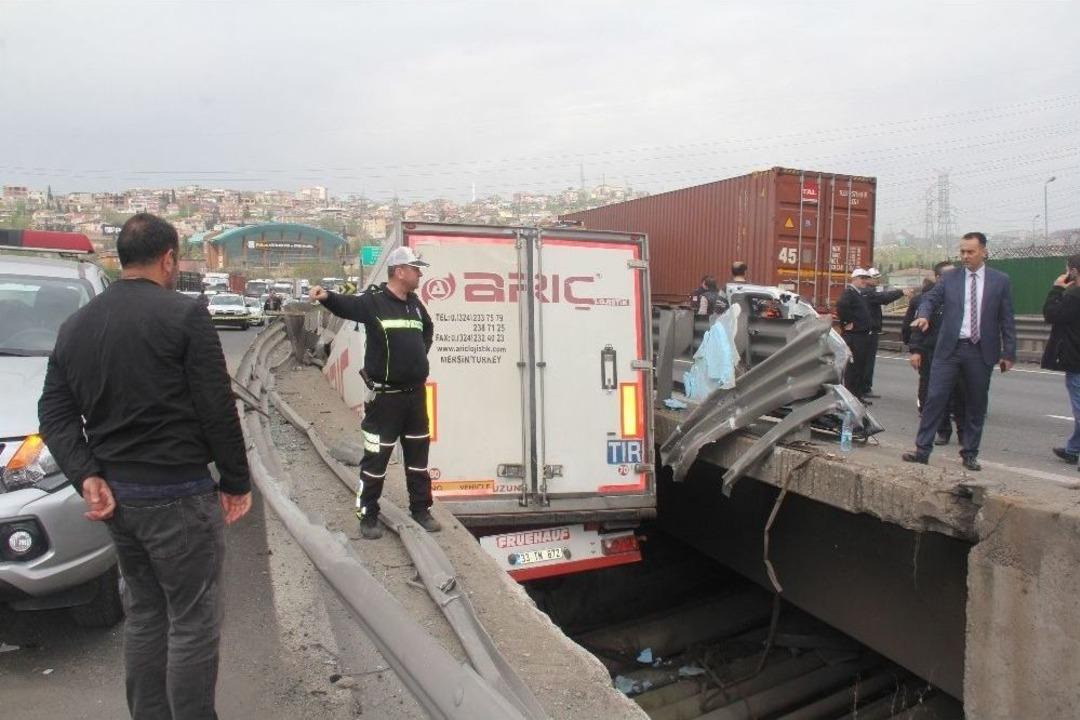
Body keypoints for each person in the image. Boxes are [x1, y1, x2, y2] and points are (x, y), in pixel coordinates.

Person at [38, 212, 252, 719]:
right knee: (192, 621)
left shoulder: (77, 325)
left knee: (145, 615)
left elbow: (54, 411)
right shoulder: (185, 315)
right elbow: (215, 405)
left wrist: (86, 473)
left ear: (120, 259)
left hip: (119, 499)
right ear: (169, 258)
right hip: (179, 494)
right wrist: (237, 481)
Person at [309, 245, 441, 539]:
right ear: (400, 272)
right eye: (416, 269)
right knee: (376, 459)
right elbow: (348, 306)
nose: (420, 274)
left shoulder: (415, 304)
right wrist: (326, 297)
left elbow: (427, 331)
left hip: (415, 397)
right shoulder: (374, 302)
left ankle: (420, 509)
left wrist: (416, 357)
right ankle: (368, 514)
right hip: (385, 399)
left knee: (418, 459)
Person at [903, 231, 1016, 471]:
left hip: (980, 351)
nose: (965, 256)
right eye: (962, 251)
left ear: (984, 252)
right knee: (935, 398)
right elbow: (929, 299)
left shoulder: (1000, 280)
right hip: (950, 350)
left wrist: (1009, 353)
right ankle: (922, 450)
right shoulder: (950, 278)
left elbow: (1007, 319)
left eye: (970, 252)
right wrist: (923, 315)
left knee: (976, 403)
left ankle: (970, 453)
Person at [907, 262, 966, 445]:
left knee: (961, 395)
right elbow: (916, 327)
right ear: (939, 278)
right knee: (936, 395)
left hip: (959, 351)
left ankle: (964, 434)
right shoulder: (928, 300)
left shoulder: (965, 297)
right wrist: (916, 350)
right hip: (933, 352)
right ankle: (943, 431)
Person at [1041, 254, 1080, 469]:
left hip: (1076, 359)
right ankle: (1073, 449)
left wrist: (1057, 289)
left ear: (1073, 271)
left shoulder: (1073, 295)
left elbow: (1050, 314)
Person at [860, 267, 909, 398]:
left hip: (868, 331)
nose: (878, 280)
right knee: (867, 361)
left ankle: (862, 387)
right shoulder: (868, 292)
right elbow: (884, 298)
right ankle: (864, 388)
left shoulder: (868, 292)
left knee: (865, 361)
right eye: (875, 278)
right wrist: (901, 292)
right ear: (868, 279)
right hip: (868, 332)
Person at [836, 268, 873, 402]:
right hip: (855, 336)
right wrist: (847, 322)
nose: (865, 281)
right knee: (853, 368)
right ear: (854, 279)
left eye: (866, 278)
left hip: (861, 335)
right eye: (862, 278)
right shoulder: (850, 293)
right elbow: (841, 305)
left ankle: (856, 396)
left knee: (859, 367)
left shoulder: (858, 293)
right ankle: (851, 397)